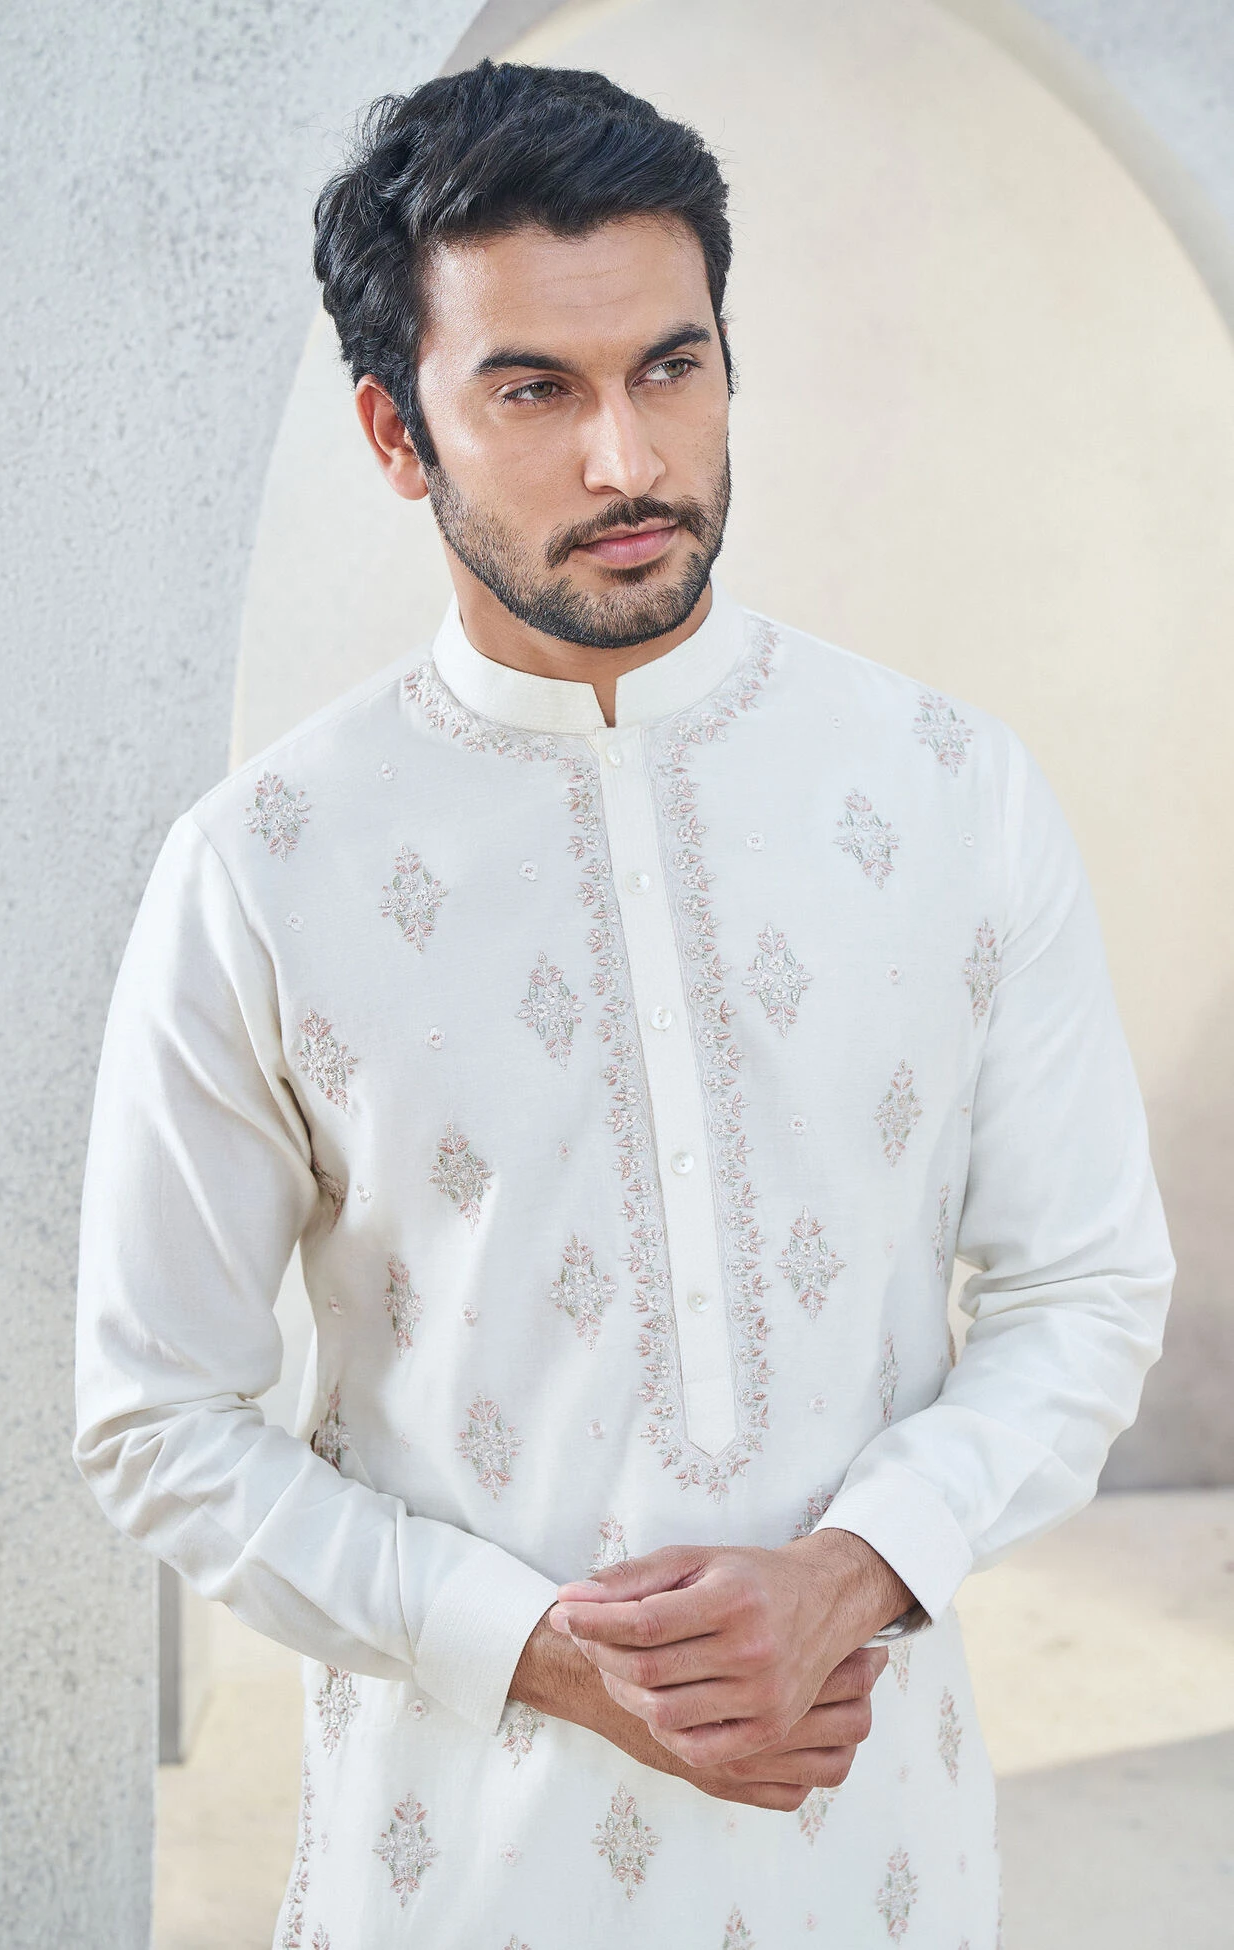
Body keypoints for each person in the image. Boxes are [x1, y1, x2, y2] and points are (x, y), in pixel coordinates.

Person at [72, 59, 1175, 1948]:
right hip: (454, 1877)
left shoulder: (947, 793)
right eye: (534, 391)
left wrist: (861, 1568)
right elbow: (156, 1414)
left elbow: (1084, 1289)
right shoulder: (265, 865)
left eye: (672, 368)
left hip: (877, 1869)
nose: (628, 461)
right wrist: (536, 1650)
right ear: (395, 431)